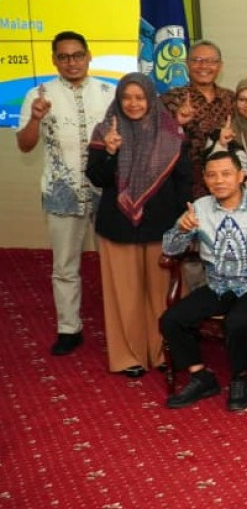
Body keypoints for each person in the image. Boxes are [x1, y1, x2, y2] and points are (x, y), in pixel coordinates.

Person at [86, 73, 193, 377]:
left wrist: (181, 222)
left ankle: (163, 352)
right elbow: (96, 178)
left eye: (139, 97)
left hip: (162, 225)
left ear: (150, 99)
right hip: (118, 227)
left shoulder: (171, 132)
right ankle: (128, 356)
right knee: (125, 295)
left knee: (162, 293)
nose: (133, 104)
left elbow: (184, 180)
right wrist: (110, 152)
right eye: (126, 98)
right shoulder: (105, 130)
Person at [17, 30, 115, 356]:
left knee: (114, 264)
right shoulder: (38, 95)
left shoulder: (109, 93)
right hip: (62, 192)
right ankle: (69, 329)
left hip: (106, 192)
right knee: (65, 265)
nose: (72, 62)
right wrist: (35, 118)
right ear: (54, 60)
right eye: (64, 57)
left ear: (88, 56)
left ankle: (119, 328)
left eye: (77, 55)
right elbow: (25, 145)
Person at [159, 151, 247, 411]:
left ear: (241, 176)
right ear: (204, 179)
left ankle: (240, 379)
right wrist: (181, 229)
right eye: (212, 175)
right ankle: (201, 377)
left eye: (226, 174)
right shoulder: (199, 207)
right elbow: (169, 249)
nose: (219, 180)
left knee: (238, 323)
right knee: (171, 320)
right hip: (216, 285)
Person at [161, 39, 235, 197]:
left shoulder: (231, 98)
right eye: (197, 60)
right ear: (187, 64)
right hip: (184, 184)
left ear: (220, 66)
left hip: (224, 184)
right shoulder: (171, 99)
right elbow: (156, 142)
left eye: (211, 61)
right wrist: (176, 122)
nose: (204, 66)